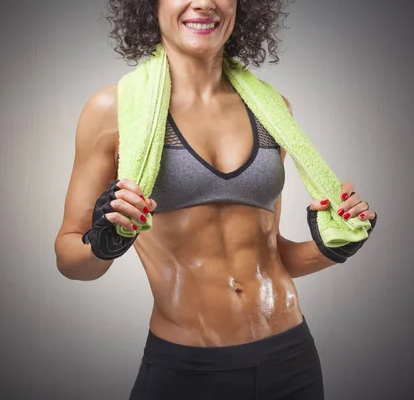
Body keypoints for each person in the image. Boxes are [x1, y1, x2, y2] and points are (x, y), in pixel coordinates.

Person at [54, 0, 377, 398]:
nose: (204, 2)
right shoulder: (113, 110)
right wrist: (101, 246)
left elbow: (271, 255)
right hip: (188, 370)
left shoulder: (272, 109)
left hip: (290, 358)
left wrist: (333, 248)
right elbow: (70, 260)